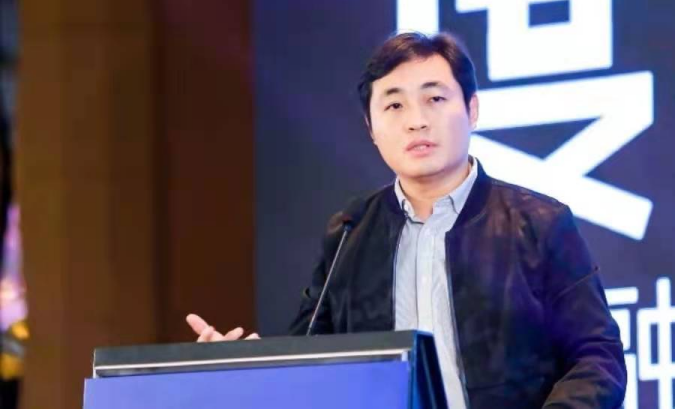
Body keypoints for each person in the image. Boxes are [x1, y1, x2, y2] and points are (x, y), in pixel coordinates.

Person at [187, 32, 626, 408]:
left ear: (472, 110)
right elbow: (313, 368)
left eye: (435, 99)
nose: (416, 121)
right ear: (371, 128)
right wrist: (251, 366)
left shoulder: (538, 223)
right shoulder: (350, 232)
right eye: (394, 105)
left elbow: (597, 358)